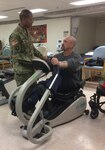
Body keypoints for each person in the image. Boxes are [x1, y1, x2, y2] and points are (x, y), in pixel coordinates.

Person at [23, 35, 82, 112]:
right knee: (39, 86)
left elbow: (67, 63)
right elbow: (48, 65)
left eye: (65, 41)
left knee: (44, 87)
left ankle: (48, 109)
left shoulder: (76, 56)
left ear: (72, 45)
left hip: (69, 82)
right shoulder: (57, 56)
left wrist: (59, 63)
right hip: (55, 80)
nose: (62, 43)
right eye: (63, 41)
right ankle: (28, 106)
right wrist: (39, 64)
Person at [9, 9, 45, 86]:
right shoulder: (15, 35)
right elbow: (17, 55)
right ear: (24, 19)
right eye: (31, 19)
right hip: (22, 72)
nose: (32, 21)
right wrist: (34, 62)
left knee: (33, 92)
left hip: (30, 70)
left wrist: (43, 58)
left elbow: (33, 49)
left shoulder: (27, 32)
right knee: (25, 95)